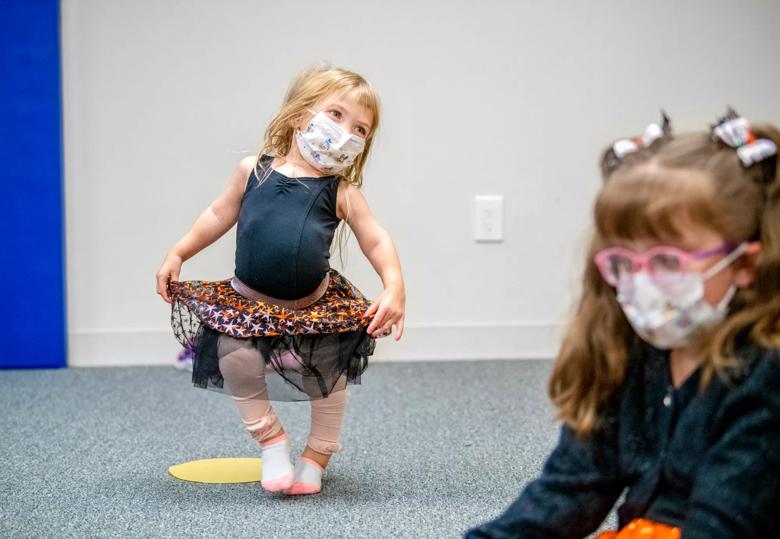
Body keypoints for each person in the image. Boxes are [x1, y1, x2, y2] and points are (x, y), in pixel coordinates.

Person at [466, 110, 780, 537]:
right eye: (625, 263)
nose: (644, 283)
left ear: (743, 263)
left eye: (669, 261)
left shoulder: (766, 376)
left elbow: (721, 526)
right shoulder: (630, 354)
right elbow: (568, 493)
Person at [156, 66, 405, 495]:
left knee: (329, 375)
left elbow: (377, 240)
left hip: (314, 305)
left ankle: (318, 455)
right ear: (298, 117)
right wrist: (179, 252)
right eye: (336, 115)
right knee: (235, 359)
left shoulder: (341, 192)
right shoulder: (253, 171)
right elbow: (217, 215)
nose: (346, 133)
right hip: (248, 303)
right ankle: (271, 440)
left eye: (360, 128)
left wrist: (395, 285)